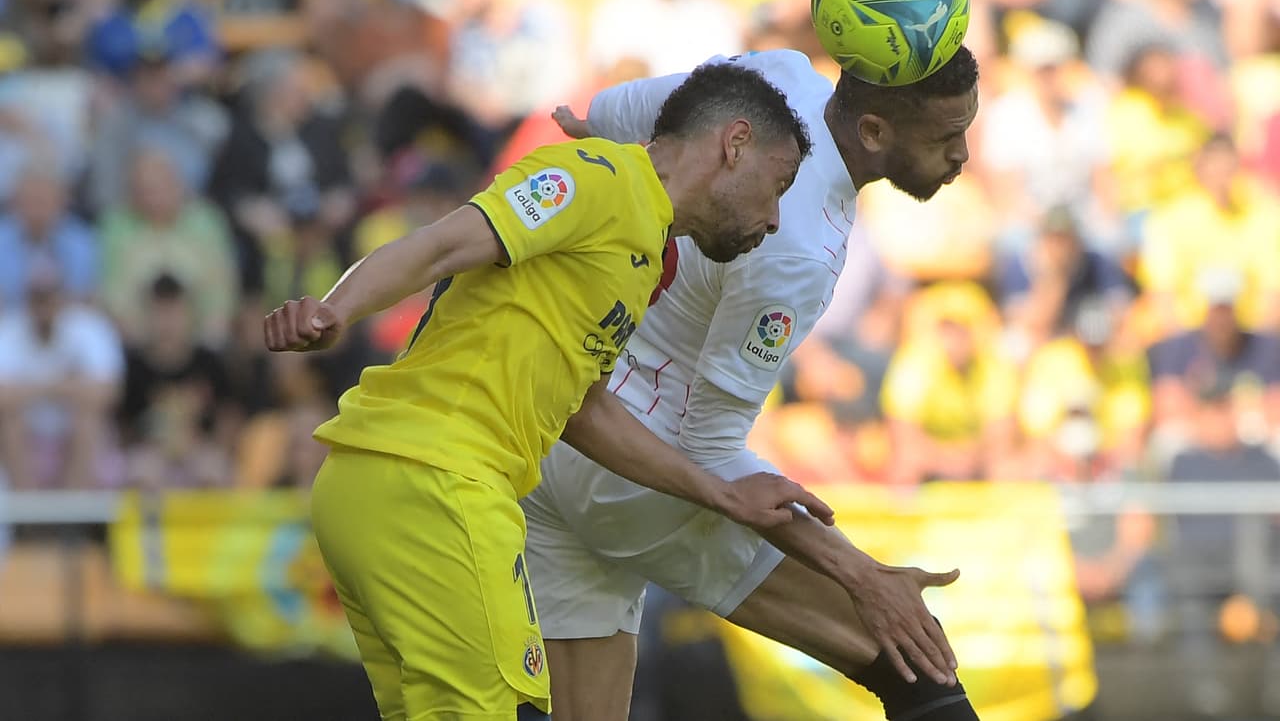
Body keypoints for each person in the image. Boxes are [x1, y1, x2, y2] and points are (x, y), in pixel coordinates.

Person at [263, 61, 835, 721]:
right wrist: (335, 311)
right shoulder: (601, 178)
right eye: (778, 185)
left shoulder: (645, 253)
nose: (773, 218)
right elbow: (443, 244)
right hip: (437, 479)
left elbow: (584, 410)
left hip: (381, 483)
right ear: (734, 145)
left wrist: (724, 492)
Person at [526, 44, 982, 721]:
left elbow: (616, 111)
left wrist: (588, 131)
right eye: (947, 136)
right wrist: (861, 572)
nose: (963, 154)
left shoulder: (778, 74)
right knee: (917, 663)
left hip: (560, 427)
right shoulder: (798, 245)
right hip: (638, 470)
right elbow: (710, 451)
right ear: (876, 132)